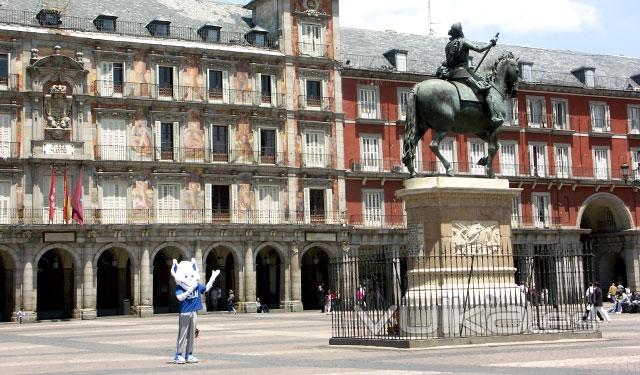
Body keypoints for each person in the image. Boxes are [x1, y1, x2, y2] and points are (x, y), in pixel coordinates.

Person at [436, 22, 503, 127]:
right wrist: (491, 43)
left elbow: (448, 62)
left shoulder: (448, 45)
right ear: (460, 31)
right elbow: (479, 49)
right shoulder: (463, 41)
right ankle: (492, 117)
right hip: (463, 72)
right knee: (485, 90)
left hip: (450, 74)